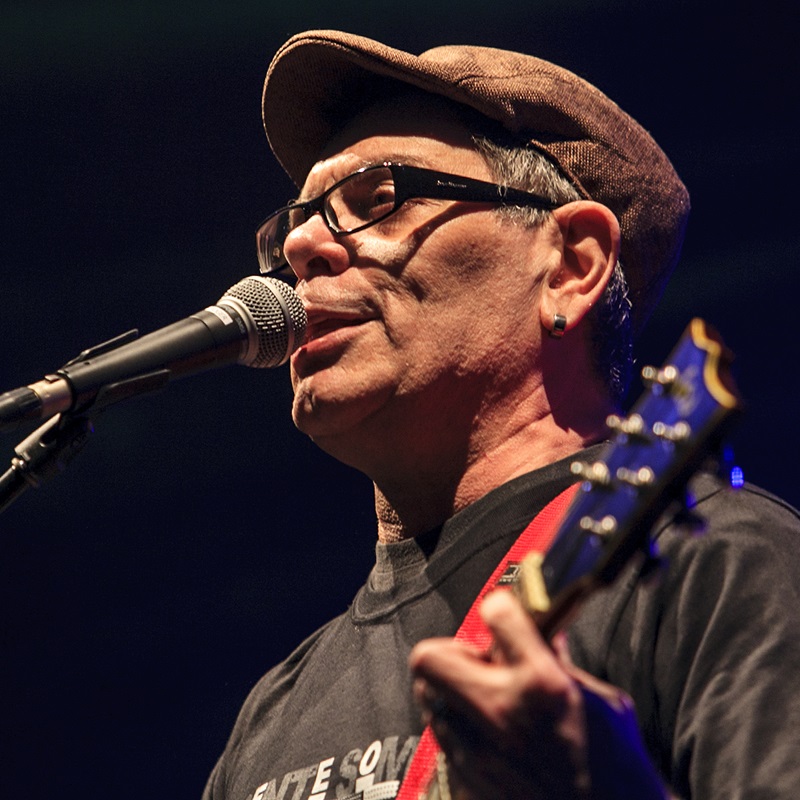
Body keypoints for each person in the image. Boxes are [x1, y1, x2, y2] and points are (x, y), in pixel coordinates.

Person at [202, 31, 800, 799]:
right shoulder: (273, 714)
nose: (304, 244)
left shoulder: (719, 568)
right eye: (297, 222)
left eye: (378, 197)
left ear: (571, 266)